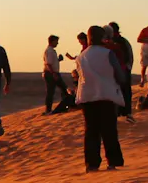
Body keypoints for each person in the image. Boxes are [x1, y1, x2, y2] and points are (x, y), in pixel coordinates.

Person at [76, 24, 126, 171]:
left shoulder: (81, 57)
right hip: (106, 94)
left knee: (91, 131)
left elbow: (80, 76)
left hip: (87, 96)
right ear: (102, 38)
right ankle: (113, 161)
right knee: (109, 129)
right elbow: (120, 75)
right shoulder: (107, 54)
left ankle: (91, 164)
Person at [107, 22, 135, 120]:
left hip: (121, 70)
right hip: (118, 70)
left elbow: (128, 56)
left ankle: (126, 113)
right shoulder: (119, 42)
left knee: (124, 92)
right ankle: (124, 113)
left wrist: (127, 68)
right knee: (122, 92)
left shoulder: (119, 42)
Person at [43, 35, 71, 113]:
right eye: (56, 41)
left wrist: (58, 60)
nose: (57, 43)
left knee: (63, 89)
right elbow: (48, 64)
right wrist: (53, 74)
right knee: (51, 91)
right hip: (51, 74)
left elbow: (52, 63)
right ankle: (48, 110)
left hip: (53, 73)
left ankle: (65, 105)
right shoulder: (49, 51)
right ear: (52, 41)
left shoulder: (52, 50)